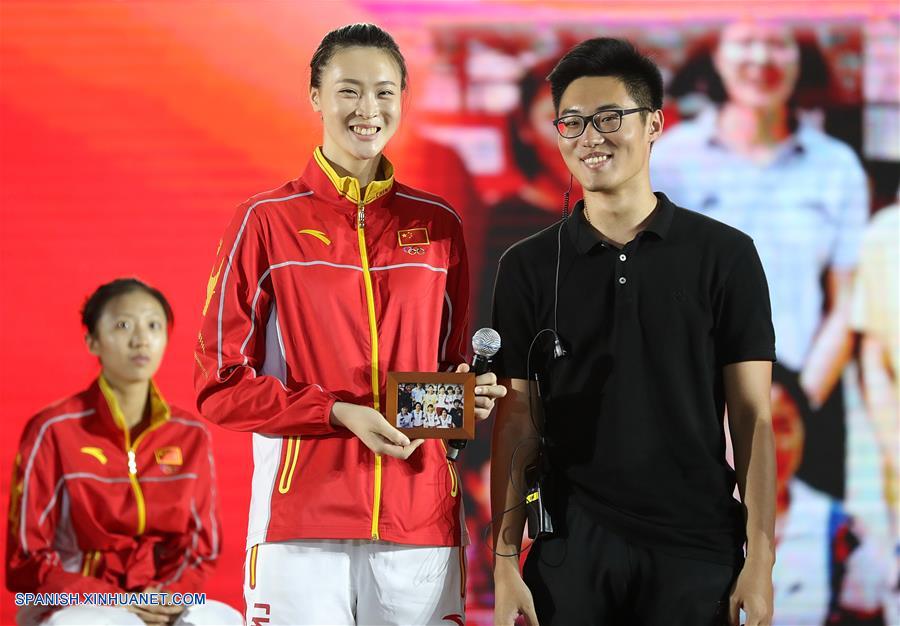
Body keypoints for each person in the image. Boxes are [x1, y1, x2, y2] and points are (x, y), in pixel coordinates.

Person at [192, 23, 506, 626]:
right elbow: (218, 385)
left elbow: (448, 370)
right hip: (300, 526)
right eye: (349, 90)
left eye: (385, 92)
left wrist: (469, 398)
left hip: (420, 521)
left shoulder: (439, 224)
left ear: (403, 99)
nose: (369, 109)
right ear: (315, 95)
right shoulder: (265, 222)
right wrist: (337, 412)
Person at [490, 38, 777, 626]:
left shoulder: (725, 255)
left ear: (654, 125)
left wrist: (761, 560)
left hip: (697, 549)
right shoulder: (527, 266)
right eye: (572, 122)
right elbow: (517, 421)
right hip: (570, 548)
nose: (589, 137)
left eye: (609, 117)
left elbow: (752, 417)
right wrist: (503, 559)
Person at [651, 21, 869, 500]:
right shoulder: (669, 160)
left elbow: (846, 302)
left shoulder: (836, 166)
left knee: (802, 536)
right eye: (745, 42)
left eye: (777, 43)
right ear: (716, 55)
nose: (761, 58)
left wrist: (797, 401)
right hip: (694, 399)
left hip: (807, 397)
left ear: (801, 57)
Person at [6, 278, 241, 626]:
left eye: (153, 326)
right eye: (123, 325)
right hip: (71, 601)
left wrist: (167, 596)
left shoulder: (190, 434)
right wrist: (114, 599)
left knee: (223, 619)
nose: (141, 339)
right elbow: (27, 558)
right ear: (92, 341)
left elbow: (199, 548)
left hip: (158, 599)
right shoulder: (53, 430)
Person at [769, 364, 890, 626]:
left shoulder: (837, 529)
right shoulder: (694, 521)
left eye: (782, 426)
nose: (770, 446)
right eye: (752, 429)